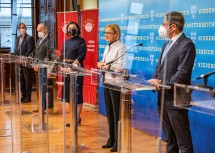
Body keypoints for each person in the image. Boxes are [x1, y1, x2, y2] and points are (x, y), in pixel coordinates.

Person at [148, 12, 195, 153]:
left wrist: (163, 83)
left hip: (177, 97)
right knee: (170, 139)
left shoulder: (187, 45)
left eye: (163, 24)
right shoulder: (166, 44)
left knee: (183, 142)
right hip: (163, 96)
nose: (161, 27)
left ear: (173, 27)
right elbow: (159, 67)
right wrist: (156, 80)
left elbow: (182, 73)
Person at [97, 24, 126, 152]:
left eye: (109, 33)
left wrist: (106, 67)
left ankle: (117, 142)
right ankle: (111, 139)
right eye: (105, 33)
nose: (106, 35)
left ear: (116, 34)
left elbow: (120, 67)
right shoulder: (107, 46)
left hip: (116, 83)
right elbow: (105, 62)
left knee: (116, 113)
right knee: (109, 112)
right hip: (107, 81)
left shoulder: (121, 47)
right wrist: (100, 63)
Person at [61, 21, 86, 126]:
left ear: (77, 29)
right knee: (70, 96)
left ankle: (76, 119)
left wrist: (71, 67)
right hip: (66, 71)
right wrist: (62, 66)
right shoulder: (66, 41)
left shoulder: (81, 41)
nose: (71, 29)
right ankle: (74, 117)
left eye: (74, 27)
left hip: (76, 71)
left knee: (77, 95)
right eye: (70, 27)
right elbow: (62, 55)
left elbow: (81, 56)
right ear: (67, 30)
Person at [33, 23, 54, 113]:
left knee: (46, 87)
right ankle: (41, 105)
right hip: (37, 67)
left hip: (45, 68)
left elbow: (48, 55)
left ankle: (48, 107)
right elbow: (36, 53)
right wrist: (35, 64)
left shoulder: (50, 41)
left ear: (45, 29)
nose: (39, 32)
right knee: (39, 87)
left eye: (40, 30)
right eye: (38, 31)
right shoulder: (38, 40)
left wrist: (40, 64)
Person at [15, 23, 35, 103]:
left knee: (27, 80)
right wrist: (14, 55)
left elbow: (30, 50)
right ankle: (23, 95)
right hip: (18, 62)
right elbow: (17, 49)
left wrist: (22, 58)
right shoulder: (17, 38)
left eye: (23, 27)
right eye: (20, 28)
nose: (21, 29)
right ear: (18, 29)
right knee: (21, 79)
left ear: (26, 28)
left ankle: (28, 97)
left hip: (26, 62)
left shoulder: (29, 38)